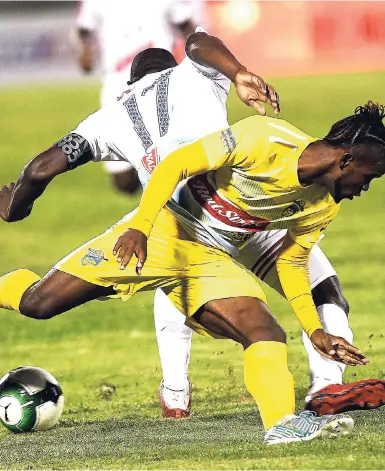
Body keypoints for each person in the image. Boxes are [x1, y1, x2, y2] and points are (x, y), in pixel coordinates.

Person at [2, 78, 384, 443]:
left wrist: (314, 329)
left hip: (208, 260)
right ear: (347, 159)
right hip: (160, 232)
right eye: (369, 178)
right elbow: (177, 164)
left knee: (263, 331)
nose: (363, 189)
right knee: (39, 304)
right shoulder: (265, 138)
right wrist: (141, 226)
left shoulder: (322, 204)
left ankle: (281, 424)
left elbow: (292, 261)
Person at [75, 0, 199, 194]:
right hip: (116, 84)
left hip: (159, 79)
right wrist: (85, 50)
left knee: (171, 157)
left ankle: (176, 206)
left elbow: (185, 23)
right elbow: (84, 27)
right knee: (125, 182)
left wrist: (202, 53)